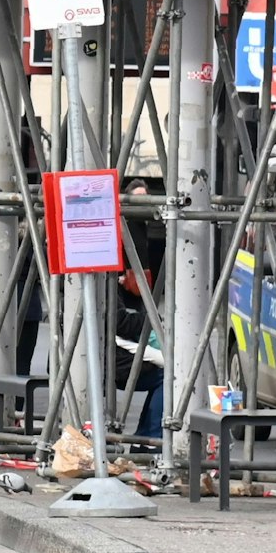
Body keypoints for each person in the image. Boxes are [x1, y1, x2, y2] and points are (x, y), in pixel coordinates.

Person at [112, 177, 166, 443]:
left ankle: (146, 436)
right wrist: (151, 321)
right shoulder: (125, 233)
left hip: (125, 329)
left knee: (166, 369)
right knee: (168, 375)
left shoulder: (138, 231)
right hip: (116, 349)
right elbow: (119, 321)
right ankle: (150, 438)